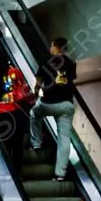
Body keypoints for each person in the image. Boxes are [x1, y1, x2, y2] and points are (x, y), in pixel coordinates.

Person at [29, 37, 78, 182]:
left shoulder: (46, 61)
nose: (50, 48)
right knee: (64, 139)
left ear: (56, 47)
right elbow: (70, 80)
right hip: (67, 105)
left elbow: (38, 82)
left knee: (34, 113)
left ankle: (36, 144)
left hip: (48, 103)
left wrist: (36, 93)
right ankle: (60, 174)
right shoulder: (72, 63)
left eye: (51, 45)